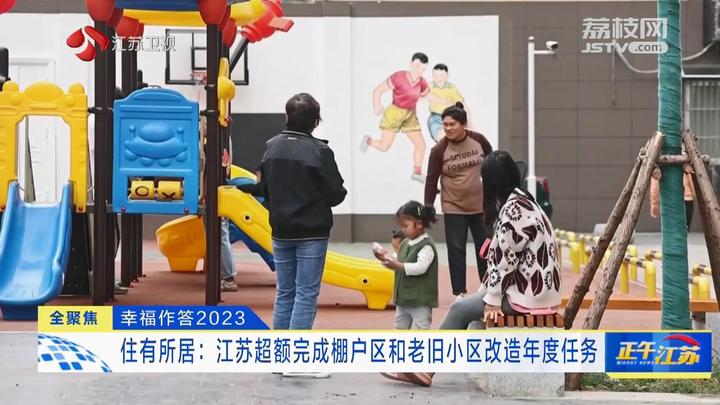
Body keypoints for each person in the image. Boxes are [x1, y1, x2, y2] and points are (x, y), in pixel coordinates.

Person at [383, 151, 562, 387]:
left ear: (491, 182)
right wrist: (485, 294)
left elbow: (505, 262)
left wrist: (493, 300)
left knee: (459, 309)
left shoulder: (513, 211)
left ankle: (425, 368)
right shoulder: (526, 201)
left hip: (526, 297)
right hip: (539, 293)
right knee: (468, 306)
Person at [236, 93, 347, 333]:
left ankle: (280, 348)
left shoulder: (272, 147)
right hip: (312, 233)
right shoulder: (320, 151)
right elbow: (335, 195)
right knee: (306, 294)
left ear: (287, 117)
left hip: (281, 231)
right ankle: (297, 351)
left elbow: (263, 189)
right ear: (315, 120)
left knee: (285, 292)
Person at [424, 103, 492, 299]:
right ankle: (459, 292)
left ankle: (487, 288)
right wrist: (428, 206)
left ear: (463, 124)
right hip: (454, 207)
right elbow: (431, 179)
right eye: (445, 125)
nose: (448, 128)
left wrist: (497, 196)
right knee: (456, 250)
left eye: (452, 124)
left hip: (481, 206)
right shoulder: (439, 150)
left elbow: (493, 164)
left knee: (485, 249)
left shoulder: (478, 140)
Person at [359, 52, 448, 183]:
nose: (419, 71)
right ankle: (369, 141)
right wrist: (377, 105)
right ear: (411, 64)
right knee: (384, 146)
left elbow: (428, 96)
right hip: (394, 113)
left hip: (410, 115)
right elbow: (377, 90)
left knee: (421, 145)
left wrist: (442, 101)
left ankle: (417, 173)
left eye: (423, 69)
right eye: (417, 66)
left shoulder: (422, 82)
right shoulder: (399, 77)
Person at [373, 201, 439, 330]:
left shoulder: (426, 246)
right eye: (401, 226)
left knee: (419, 331)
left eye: (405, 226)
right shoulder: (405, 243)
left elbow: (420, 268)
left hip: (420, 301)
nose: (402, 229)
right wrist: (384, 258)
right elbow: (398, 261)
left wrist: (397, 265)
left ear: (419, 224)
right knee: (399, 329)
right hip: (403, 300)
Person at [426, 64, 470, 142]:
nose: (439, 78)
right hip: (436, 118)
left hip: (452, 118)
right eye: (436, 76)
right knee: (442, 138)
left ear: (447, 75)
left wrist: (469, 120)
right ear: (432, 76)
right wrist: (442, 101)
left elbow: (461, 102)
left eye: (442, 75)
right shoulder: (430, 85)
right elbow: (426, 95)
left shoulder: (451, 87)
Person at [650, 165, 695, 231]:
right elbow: (690, 182)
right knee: (684, 230)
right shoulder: (683, 162)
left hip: (671, 200)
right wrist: (694, 194)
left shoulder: (661, 164)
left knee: (672, 229)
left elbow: (655, 187)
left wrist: (655, 205)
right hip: (687, 199)